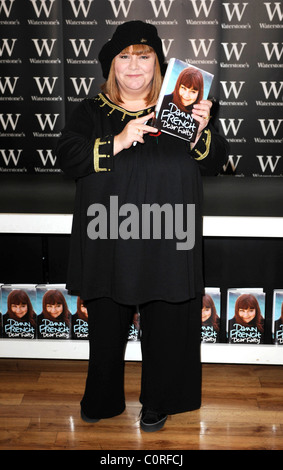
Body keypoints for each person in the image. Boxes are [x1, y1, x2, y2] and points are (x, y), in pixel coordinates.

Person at [57, 20, 229, 432]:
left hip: (169, 234)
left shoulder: (179, 112)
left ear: (157, 64)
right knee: (105, 324)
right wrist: (117, 140)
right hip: (108, 234)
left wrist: (201, 132)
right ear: (111, 66)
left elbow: (216, 161)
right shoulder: (92, 111)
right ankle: (102, 396)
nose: (134, 67)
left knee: (168, 325)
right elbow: (67, 156)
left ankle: (159, 401)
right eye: (124, 58)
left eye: (144, 57)